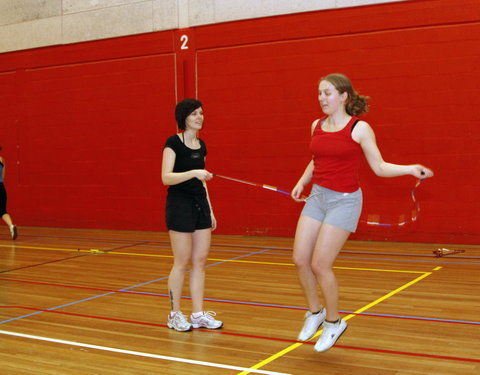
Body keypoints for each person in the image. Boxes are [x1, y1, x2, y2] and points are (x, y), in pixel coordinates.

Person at [291, 73, 434, 352]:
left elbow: (379, 167)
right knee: (299, 259)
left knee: (320, 264)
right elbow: (316, 159)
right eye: (319, 93)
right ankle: (315, 313)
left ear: (343, 96)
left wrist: (408, 168)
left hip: (344, 201)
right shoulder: (316, 125)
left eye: (327, 93)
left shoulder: (359, 128)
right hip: (318, 196)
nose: (322, 98)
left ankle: (334, 323)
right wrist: (302, 181)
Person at [161, 98, 222, 332]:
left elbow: (203, 182)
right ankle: (175, 315)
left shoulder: (202, 145)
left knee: (200, 262)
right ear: (184, 117)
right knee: (181, 262)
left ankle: (197, 314)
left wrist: (210, 208)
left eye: (201, 113)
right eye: (195, 113)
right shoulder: (172, 143)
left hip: (200, 206)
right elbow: (166, 177)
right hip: (180, 205)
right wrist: (194, 172)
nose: (200, 117)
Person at [0, 147, 18, 240]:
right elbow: (3, 176)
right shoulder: (2, 159)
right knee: (3, 211)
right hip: (1, 187)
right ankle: (11, 226)